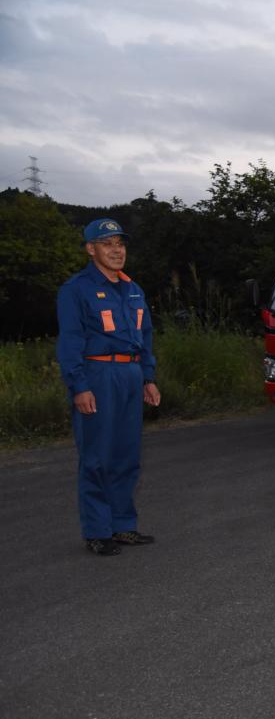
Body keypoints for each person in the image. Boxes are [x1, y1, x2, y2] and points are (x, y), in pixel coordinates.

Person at [56, 219, 161, 556]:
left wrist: (148, 377)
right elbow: (71, 341)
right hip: (98, 376)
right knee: (97, 456)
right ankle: (97, 531)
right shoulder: (76, 289)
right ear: (91, 249)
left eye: (120, 243)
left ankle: (123, 526)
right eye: (107, 243)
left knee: (127, 455)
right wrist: (79, 386)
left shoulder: (133, 289)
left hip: (130, 375)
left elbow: (144, 336)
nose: (117, 250)